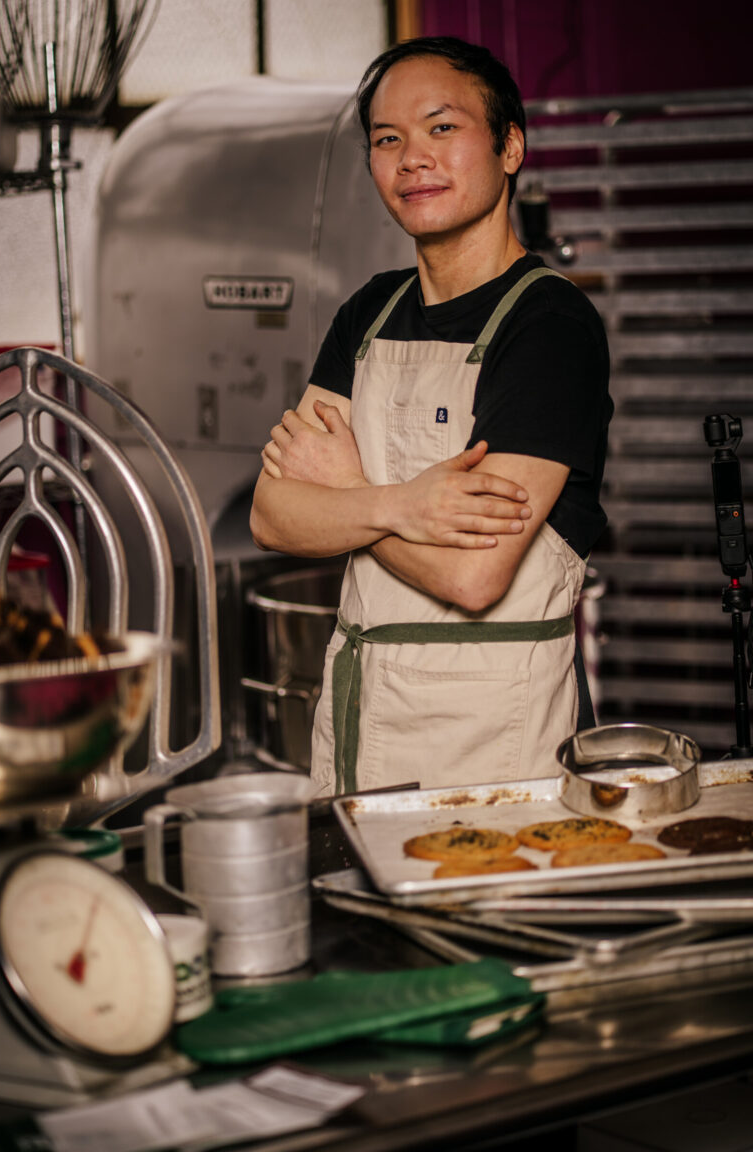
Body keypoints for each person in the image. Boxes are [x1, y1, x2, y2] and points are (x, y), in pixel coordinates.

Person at [250, 36, 612, 797]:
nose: (412, 158)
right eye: (388, 139)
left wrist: (344, 495)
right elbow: (274, 517)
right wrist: (402, 503)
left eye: (441, 128)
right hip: (357, 724)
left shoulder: (548, 326)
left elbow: (476, 575)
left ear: (510, 146)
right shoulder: (367, 313)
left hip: (490, 748)